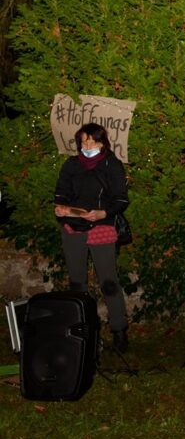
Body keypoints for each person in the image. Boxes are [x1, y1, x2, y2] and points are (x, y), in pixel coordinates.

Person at [54, 123, 130, 352]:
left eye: (92, 141)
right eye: (83, 141)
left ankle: (119, 330)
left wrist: (103, 213)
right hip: (73, 228)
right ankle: (82, 332)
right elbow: (60, 193)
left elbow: (121, 199)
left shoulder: (112, 165)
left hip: (102, 227)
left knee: (108, 282)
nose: (87, 145)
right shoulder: (71, 165)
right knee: (77, 283)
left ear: (102, 142)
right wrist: (61, 209)